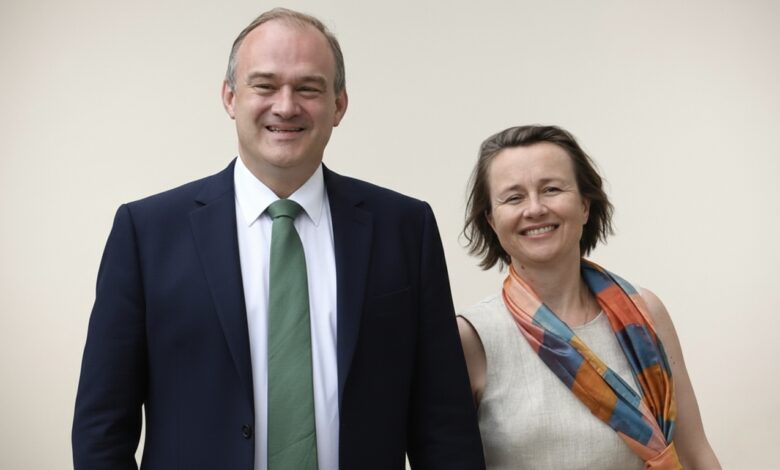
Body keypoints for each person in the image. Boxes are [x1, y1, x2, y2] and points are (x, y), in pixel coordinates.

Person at [72, 8, 484, 470]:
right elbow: (102, 428)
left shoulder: (405, 228)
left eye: (308, 88)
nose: (286, 106)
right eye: (264, 85)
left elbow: (445, 426)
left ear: (339, 105)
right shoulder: (146, 233)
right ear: (230, 98)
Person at [458, 125, 721, 469]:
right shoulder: (471, 337)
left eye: (551, 189)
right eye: (514, 197)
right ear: (492, 220)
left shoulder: (644, 313)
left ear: (584, 205)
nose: (535, 209)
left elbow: (695, 453)